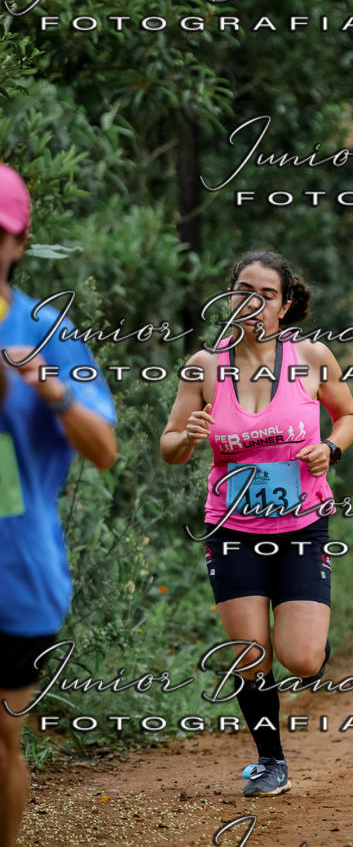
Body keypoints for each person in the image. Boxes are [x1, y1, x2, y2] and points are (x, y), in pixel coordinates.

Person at [161, 250, 353, 797]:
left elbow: (348, 416)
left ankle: (315, 647)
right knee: (251, 655)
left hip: (300, 527)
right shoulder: (204, 367)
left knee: (299, 659)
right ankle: (270, 761)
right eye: (242, 290)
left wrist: (329, 449)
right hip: (231, 531)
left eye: (266, 294)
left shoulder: (312, 357)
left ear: (285, 305)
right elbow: (170, 445)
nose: (251, 302)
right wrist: (189, 437)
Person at [0, 164, 118, 847]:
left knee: (1, 740)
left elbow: (104, 450)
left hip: (17, 572)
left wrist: (50, 388)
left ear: (20, 241)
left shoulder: (45, 329)